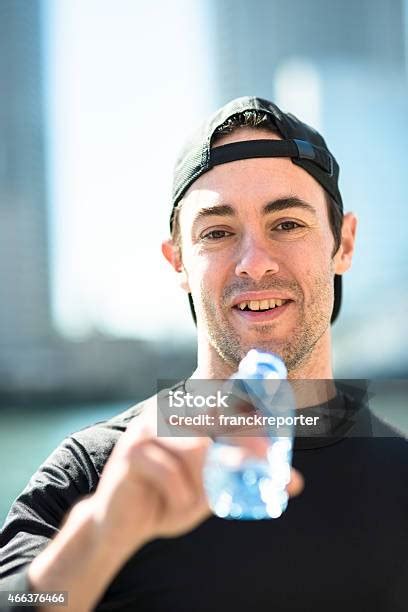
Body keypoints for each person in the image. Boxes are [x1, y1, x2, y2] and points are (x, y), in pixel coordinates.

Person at [0, 97, 407, 612]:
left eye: (287, 224)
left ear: (343, 243)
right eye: (218, 232)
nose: (254, 264)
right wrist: (99, 539)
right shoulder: (93, 474)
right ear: (178, 263)